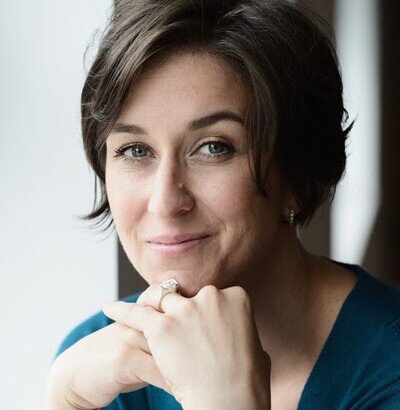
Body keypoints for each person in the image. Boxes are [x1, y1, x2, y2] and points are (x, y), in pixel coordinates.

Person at [45, 0, 400, 409]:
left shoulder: (389, 371)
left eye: (214, 147)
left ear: (297, 175)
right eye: (135, 150)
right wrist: (64, 401)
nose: (165, 202)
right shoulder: (99, 366)